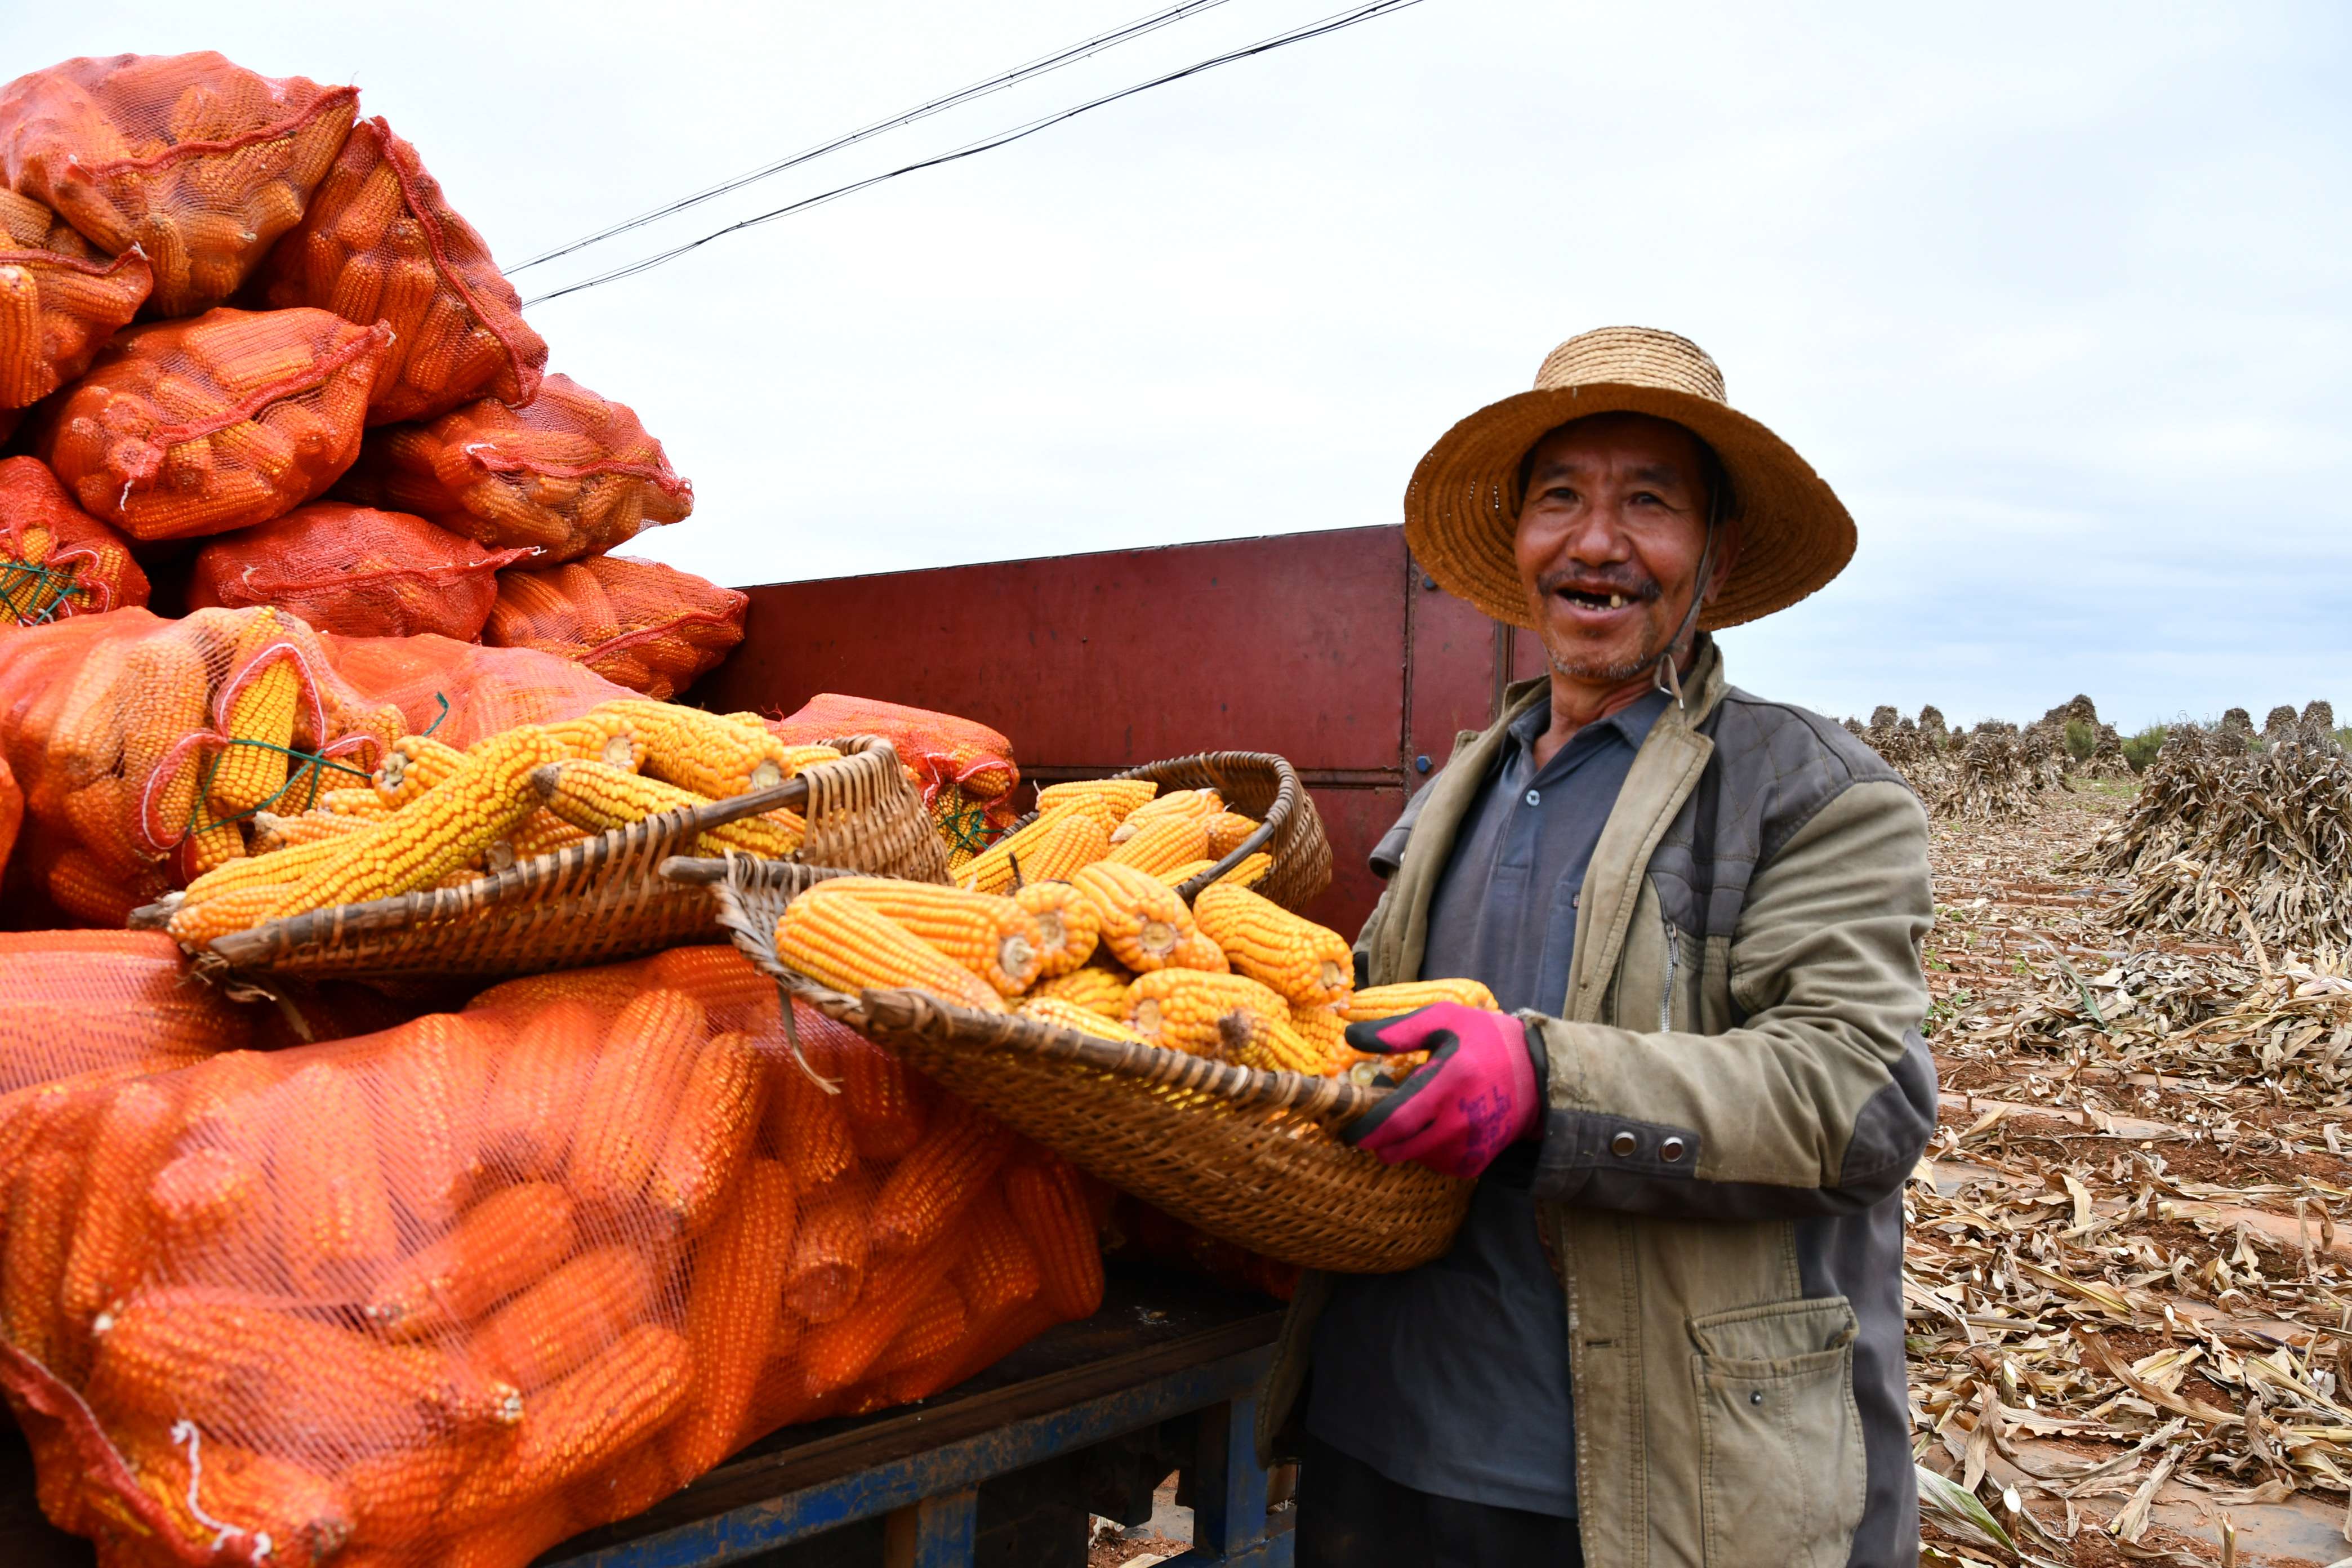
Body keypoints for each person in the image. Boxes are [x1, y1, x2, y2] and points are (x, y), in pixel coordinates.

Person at [1263, 327, 1935, 1568]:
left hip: (1627, 1481)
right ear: (1521, 545)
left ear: (1715, 556)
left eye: (1649, 504)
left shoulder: (1810, 793)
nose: (1597, 541)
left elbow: (1861, 1096)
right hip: (1380, 1442)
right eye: (1560, 498)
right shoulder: (1464, 780)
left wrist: (1545, 1085)